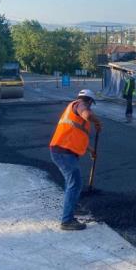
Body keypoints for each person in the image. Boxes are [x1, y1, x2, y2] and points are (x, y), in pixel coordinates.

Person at [49, 89, 102, 230]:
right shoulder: (80, 105)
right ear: (89, 101)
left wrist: (91, 150)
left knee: (71, 181)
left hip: (65, 151)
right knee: (75, 182)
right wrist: (97, 121)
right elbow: (87, 114)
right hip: (62, 152)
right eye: (91, 103)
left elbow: (77, 135)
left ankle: (73, 206)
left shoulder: (74, 110)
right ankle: (67, 221)